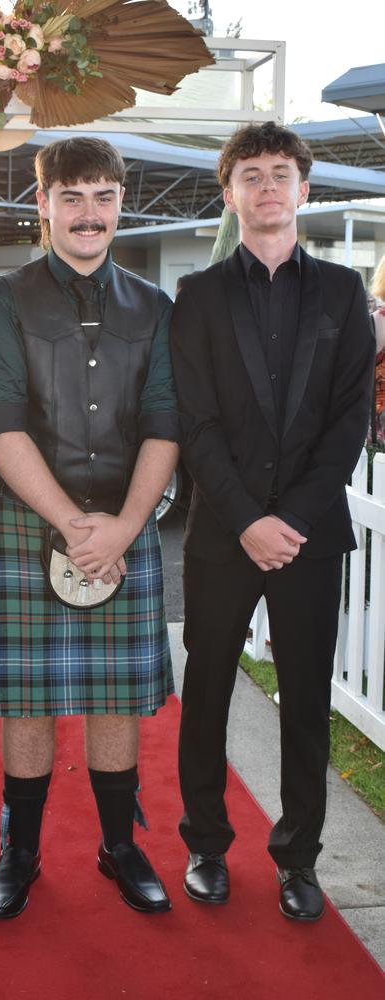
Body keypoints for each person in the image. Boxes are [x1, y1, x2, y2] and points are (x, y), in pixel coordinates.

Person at [0, 136, 180, 919]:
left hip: (125, 525)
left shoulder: (156, 307)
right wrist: (73, 525)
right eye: (72, 196)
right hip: (30, 524)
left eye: (103, 197)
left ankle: (118, 845)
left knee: (116, 698)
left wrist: (122, 528)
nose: (89, 214)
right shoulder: (7, 298)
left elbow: (166, 421)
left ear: (122, 203)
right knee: (28, 698)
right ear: (43, 204)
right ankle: (18, 851)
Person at [170, 121, 374, 922]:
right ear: (230, 194)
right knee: (209, 693)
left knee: (305, 702)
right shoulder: (197, 295)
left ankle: (298, 858)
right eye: (249, 175)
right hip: (224, 536)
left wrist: (287, 519)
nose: (266, 187)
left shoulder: (342, 293)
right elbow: (195, 422)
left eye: (280, 173)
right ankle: (206, 846)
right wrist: (249, 519)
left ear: (303, 190)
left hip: (310, 539)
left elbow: (350, 418)